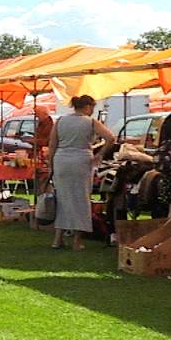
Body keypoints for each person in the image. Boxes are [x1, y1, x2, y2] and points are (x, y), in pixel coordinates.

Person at [48, 95, 116, 251]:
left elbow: (52, 145)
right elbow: (110, 138)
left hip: (61, 160)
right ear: (88, 106)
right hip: (81, 160)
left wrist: (51, 165)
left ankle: (57, 239)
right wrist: (100, 153)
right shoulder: (90, 122)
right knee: (81, 199)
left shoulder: (60, 121)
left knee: (63, 199)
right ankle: (77, 241)